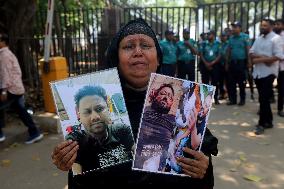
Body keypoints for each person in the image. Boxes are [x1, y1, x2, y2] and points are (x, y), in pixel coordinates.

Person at [51, 18, 218, 187]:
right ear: (116, 59)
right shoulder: (102, 112)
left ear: (158, 59)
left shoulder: (186, 108)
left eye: (145, 45)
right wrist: (68, 159)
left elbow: (200, 173)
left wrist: (202, 169)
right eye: (128, 46)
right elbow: (81, 177)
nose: (138, 51)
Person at [65, 85, 134, 175]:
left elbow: (142, 156)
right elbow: (75, 172)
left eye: (100, 109)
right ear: (78, 115)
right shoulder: (75, 141)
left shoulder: (122, 130)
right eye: (87, 112)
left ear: (108, 108)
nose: (95, 117)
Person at [0, 32, 43, 144]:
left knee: (20, 110)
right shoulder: (8, 54)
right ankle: (35, 132)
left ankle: (1, 135)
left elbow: (6, 74)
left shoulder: (4, 55)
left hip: (11, 89)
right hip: (16, 87)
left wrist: (4, 91)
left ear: (3, 42)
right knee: (21, 110)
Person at [249, 18, 283, 135]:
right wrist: (263, 57)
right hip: (258, 73)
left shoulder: (276, 39)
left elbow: (278, 56)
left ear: (271, 26)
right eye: (261, 25)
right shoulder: (258, 39)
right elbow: (251, 53)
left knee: (263, 99)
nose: (262, 27)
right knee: (264, 99)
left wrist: (260, 59)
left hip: (269, 73)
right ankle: (269, 121)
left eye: (265, 26)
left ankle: (261, 124)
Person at [226, 21, 250, 106]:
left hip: (241, 63)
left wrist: (249, 62)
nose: (233, 29)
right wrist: (227, 63)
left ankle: (242, 99)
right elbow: (228, 51)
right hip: (232, 63)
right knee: (231, 82)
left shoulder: (245, 37)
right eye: (233, 27)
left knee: (241, 82)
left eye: (235, 27)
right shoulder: (231, 38)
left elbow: (248, 50)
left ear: (240, 28)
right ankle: (233, 100)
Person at [199, 30, 221, 104]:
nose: (207, 35)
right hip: (205, 65)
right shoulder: (204, 44)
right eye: (207, 34)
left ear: (213, 35)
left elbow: (219, 55)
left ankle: (216, 98)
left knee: (215, 82)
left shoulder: (218, 44)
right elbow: (201, 54)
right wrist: (206, 63)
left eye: (209, 34)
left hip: (215, 65)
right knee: (205, 82)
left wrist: (212, 63)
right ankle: (205, 99)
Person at [273, 19, 284, 117]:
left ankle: (280, 109)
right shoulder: (273, 37)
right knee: (267, 89)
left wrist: (280, 56)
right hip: (273, 66)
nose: (276, 26)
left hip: (282, 67)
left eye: (278, 24)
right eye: (275, 24)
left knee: (282, 89)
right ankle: (264, 109)